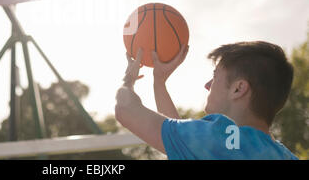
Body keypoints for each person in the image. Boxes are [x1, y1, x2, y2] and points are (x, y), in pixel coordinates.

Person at [115, 41, 298, 159]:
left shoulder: (217, 137)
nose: (208, 85)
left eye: (215, 75)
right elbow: (181, 143)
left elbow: (125, 110)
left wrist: (128, 79)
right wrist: (159, 83)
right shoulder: (286, 156)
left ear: (238, 88)